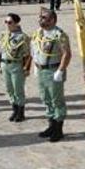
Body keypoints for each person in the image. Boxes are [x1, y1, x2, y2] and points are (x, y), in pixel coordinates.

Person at [31, 8, 72, 142]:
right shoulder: (38, 33)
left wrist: (61, 70)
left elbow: (66, 53)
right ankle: (51, 125)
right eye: (40, 17)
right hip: (42, 69)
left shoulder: (59, 35)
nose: (40, 20)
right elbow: (35, 49)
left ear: (52, 20)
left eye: (44, 18)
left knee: (57, 100)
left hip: (53, 70)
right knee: (46, 98)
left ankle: (58, 129)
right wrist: (35, 65)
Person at [0, 13, 31, 122]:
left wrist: (26, 68)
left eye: (10, 22)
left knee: (18, 89)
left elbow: (27, 55)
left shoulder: (23, 37)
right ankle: (14, 109)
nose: (7, 24)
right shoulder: (4, 35)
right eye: (6, 22)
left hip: (16, 65)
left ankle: (21, 112)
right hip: (5, 64)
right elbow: (1, 51)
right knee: (9, 89)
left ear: (16, 23)